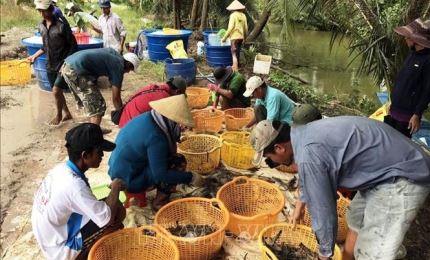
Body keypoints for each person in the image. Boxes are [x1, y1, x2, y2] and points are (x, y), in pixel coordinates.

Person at [250, 117, 430, 260]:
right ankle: (351, 255)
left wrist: (324, 254)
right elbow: (309, 175)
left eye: (269, 159)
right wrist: (299, 206)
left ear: (279, 148)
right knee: (355, 217)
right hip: (381, 170)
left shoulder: (309, 154)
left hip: (402, 176)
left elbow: (324, 212)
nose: (272, 163)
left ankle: (383, 249)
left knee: (373, 252)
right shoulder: (303, 135)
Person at [32, 123, 126, 260]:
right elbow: (106, 219)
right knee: (116, 215)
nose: (102, 155)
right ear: (85, 155)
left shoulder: (61, 170)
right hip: (59, 249)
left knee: (112, 207)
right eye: (99, 152)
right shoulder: (74, 186)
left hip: (52, 235)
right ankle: (82, 256)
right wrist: (116, 186)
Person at [108, 95, 205, 211]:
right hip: (127, 180)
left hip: (119, 171)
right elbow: (161, 174)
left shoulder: (148, 117)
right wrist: (191, 177)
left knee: (165, 160)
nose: (183, 128)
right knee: (177, 161)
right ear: (172, 120)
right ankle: (159, 202)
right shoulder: (157, 137)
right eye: (180, 124)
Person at [61, 48, 139, 132]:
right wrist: (122, 115)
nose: (128, 72)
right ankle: (93, 136)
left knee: (91, 103)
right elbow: (116, 98)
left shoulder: (114, 55)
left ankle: (94, 128)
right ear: (128, 63)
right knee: (98, 105)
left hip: (67, 64)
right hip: (76, 70)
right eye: (130, 69)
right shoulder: (119, 66)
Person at [28, 0, 77, 126]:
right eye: (40, 11)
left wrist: (66, 63)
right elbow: (45, 46)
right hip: (50, 65)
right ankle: (67, 113)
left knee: (56, 91)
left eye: (44, 10)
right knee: (57, 92)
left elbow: (73, 45)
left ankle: (59, 116)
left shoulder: (62, 25)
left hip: (63, 64)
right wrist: (34, 56)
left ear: (50, 9)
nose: (42, 13)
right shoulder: (41, 26)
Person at [385, 18, 430, 138]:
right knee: (387, 143)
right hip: (395, 109)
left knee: (399, 149)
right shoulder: (412, 54)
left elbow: (427, 90)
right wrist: (392, 104)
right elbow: (402, 81)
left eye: (408, 36)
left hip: (407, 116)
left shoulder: (427, 60)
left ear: (417, 39)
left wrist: (417, 114)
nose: (405, 38)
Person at [115, 76, 187, 128]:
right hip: (130, 126)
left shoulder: (157, 88)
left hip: (125, 117)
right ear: (177, 92)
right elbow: (165, 123)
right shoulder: (164, 97)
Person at [221, 0, 248, 71]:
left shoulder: (233, 15)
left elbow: (230, 28)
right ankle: (237, 65)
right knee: (237, 52)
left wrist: (224, 38)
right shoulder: (243, 15)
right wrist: (245, 38)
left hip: (234, 37)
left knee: (234, 54)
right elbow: (246, 29)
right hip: (241, 37)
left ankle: (235, 70)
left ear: (232, 9)